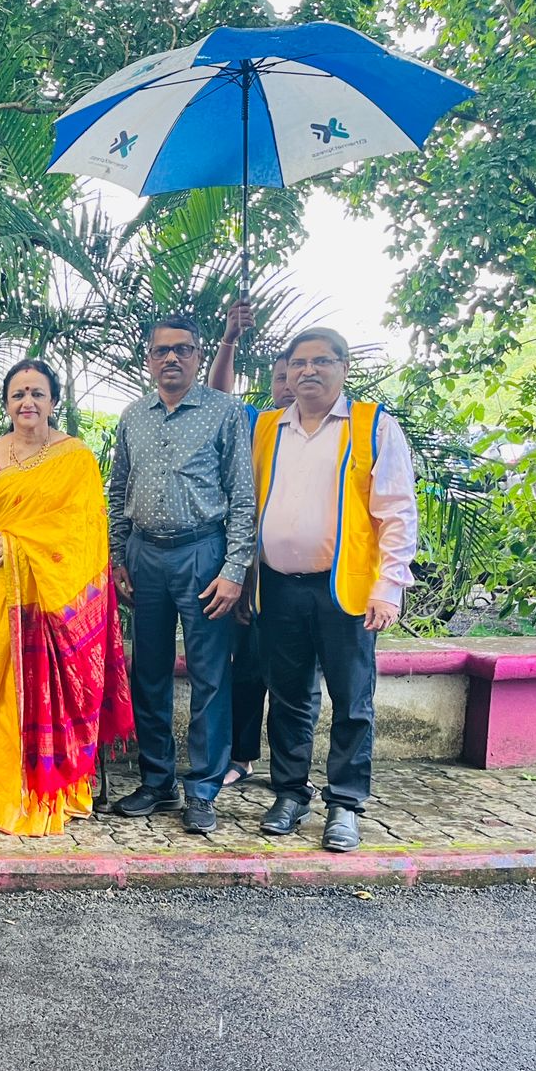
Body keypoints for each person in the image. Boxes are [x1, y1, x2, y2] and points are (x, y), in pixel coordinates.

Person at [253, 327, 418, 852]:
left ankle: (344, 803)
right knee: (288, 697)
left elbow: (397, 511)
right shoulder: (267, 428)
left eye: (321, 361)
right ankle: (289, 793)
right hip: (278, 586)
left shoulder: (372, 426)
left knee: (351, 700)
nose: (308, 372)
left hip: (344, 587)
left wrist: (389, 586)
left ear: (343, 368)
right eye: (298, 363)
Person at [0, 360, 136, 835]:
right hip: (1, 596)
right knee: (3, 694)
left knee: (50, 691)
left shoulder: (74, 457)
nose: (27, 403)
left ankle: (57, 788)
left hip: (55, 602)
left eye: (37, 393)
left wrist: (21, 548)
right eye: (18, 394)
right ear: (6, 404)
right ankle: (5, 789)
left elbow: (86, 529)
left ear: (53, 401)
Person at [108, 315, 255, 835]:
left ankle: (204, 788)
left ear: (197, 357)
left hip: (204, 555)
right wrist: (117, 555)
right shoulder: (132, 416)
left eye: (183, 350)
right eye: (161, 350)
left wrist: (235, 569)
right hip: (146, 557)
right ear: (148, 360)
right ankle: (156, 781)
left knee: (209, 675)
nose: (172, 358)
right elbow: (117, 489)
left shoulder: (224, 412)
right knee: (147, 672)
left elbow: (242, 497)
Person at [210, 330, 303, 787]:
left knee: (294, 678)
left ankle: (293, 772)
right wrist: (229, 340)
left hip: (309, 579)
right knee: (245, 667)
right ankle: (241, 755)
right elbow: (218, 394)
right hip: (253, 567)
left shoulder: (344, 431)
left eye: (296, 373)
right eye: (281, 376)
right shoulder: (258, 424)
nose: (289, 383)